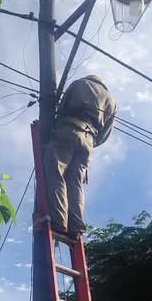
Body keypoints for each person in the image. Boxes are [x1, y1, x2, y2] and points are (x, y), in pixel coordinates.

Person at [44, 74, 116, 239]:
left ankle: (59, 221)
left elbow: (62, 108)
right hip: (89, 141)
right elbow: (106, 133)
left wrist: (55, 128)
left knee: (56, 171)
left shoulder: (80, 83)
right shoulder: (111, 101)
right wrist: (90, 141)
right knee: (75, 182)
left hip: (69, 128)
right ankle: (76, 226)